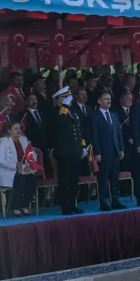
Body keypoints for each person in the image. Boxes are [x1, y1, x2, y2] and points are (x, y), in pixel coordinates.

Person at [0, 120, 43, 216]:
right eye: (15, 129)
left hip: (23, 169)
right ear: (9, 131)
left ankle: (24, 205)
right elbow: (0, 161)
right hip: (7, 171)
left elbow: (33, 154)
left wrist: (29, 165)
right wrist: (15, 166)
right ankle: (15, 207)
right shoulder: (2, 141)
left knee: (32, 180)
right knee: (19, 180)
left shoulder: (24, 139)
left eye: (19, 128)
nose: (18, 130)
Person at [52, 86, 86, 215]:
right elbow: (60, 122)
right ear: (59, 100)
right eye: (65, 97)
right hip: (64, 152)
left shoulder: (73, 112)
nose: (68, 100)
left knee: (74, 180)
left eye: (68, 97)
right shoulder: (57, 112)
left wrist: (82, 145)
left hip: (75, 150)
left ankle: (73, 203)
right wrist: (64, 107)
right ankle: (65, 204)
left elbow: (79, 129)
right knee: (65, 180)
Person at [92, 89, 126, 211]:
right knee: (103, 177)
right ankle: (103, 201)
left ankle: (115, 200)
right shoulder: (95, 116)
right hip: (103, 152)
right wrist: (97, 152)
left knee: (114, 177)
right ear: (99, 101)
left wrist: (121, 149)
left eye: (109, 99)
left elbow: (118, 134)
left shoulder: (114, 115)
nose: (109, 101)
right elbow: (94, 135)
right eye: (106, 99)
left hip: (115, 151)